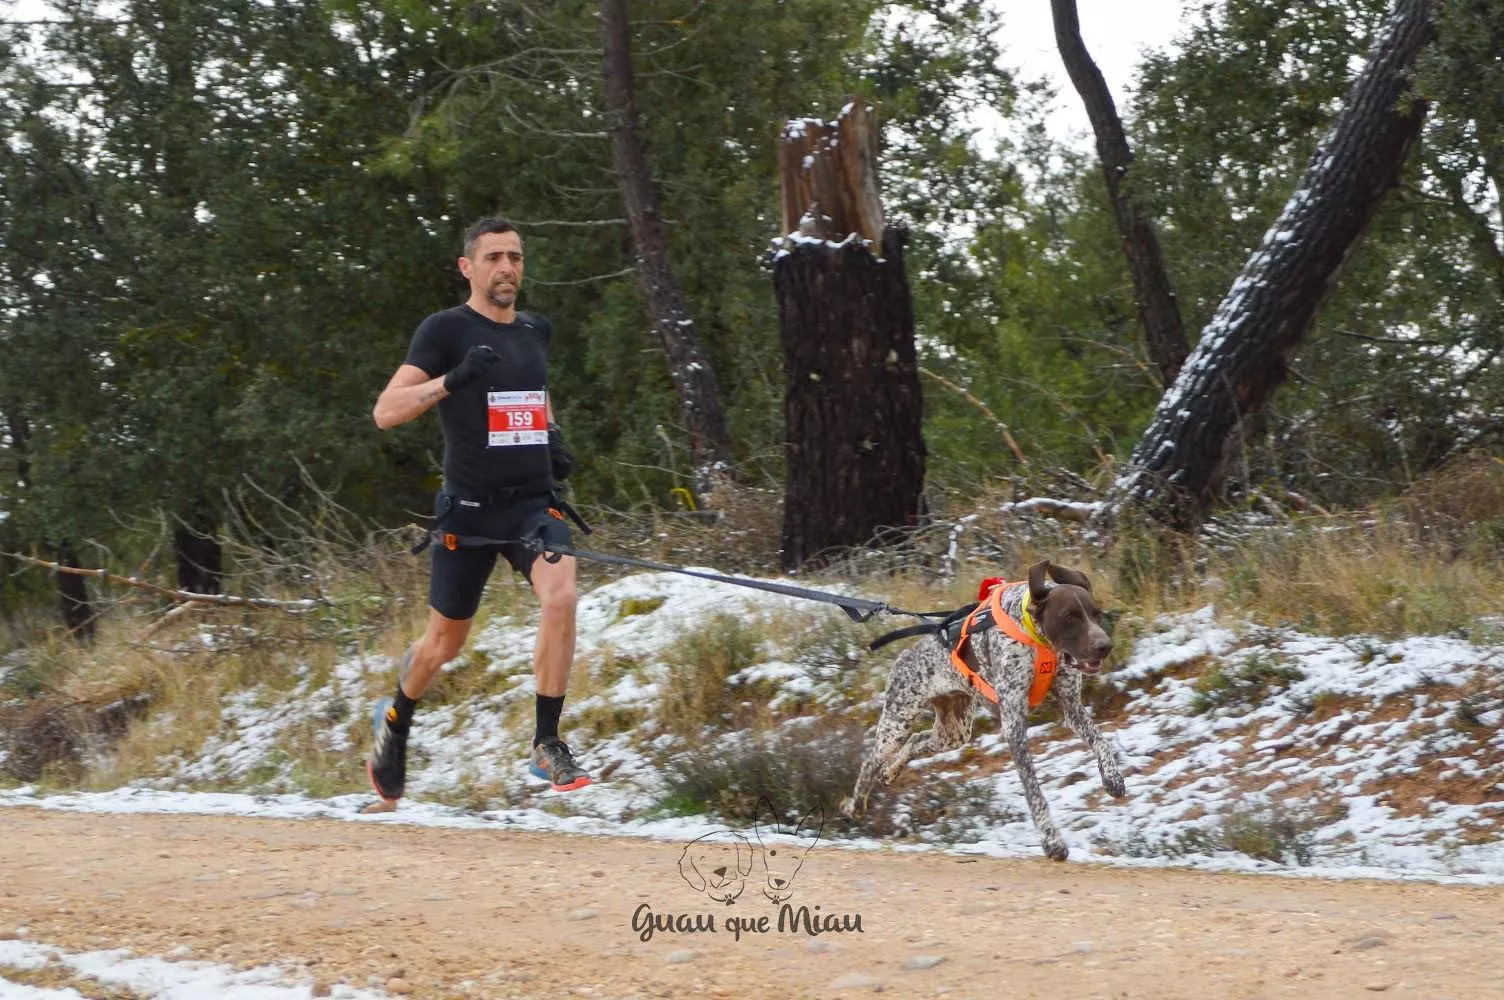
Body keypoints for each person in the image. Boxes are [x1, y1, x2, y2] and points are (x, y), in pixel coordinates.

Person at [367, 216, 590, 803]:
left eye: (515, 256)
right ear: (469, 267)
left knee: (561, 595)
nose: (507, 267)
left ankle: (547, 743)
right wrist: (452, 380)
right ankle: (396, 719)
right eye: (494, 257)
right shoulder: (443, 331)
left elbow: (528, 395)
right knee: (443, 646)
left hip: (531, 508)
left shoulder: (537, 330)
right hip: (466, 515)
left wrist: (550, 432)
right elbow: (385, 412)